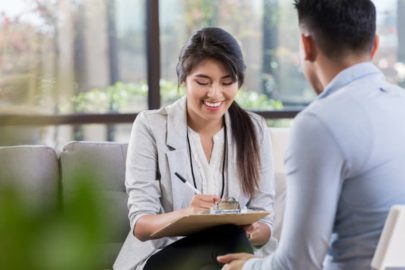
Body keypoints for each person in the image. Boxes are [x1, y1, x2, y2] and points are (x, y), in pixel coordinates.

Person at [218, 0, 405, 269]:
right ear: (374, 45)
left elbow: (298, 264)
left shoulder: (319, 123)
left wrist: (246, 267)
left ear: (307, 45)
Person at [113, 27, 275, 270]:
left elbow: (266, 221)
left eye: (227, 82)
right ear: (183, 79)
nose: (215, 93)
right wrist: (188, 213)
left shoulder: (254, 129)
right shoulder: (151, 126)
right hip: (162, 258)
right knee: (229, 238)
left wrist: (252, 231)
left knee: (234, 241)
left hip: (228, 256)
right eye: (202, 82)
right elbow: (141, 225)